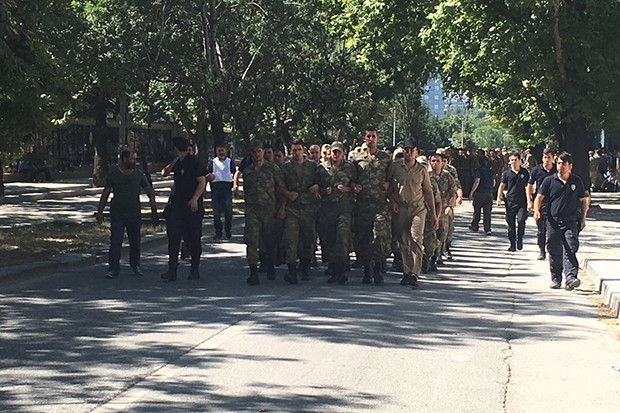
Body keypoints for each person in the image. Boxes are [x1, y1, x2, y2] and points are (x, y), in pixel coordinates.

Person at [96, 149, 158, 279]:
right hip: (118, 212)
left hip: (134, 212)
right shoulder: (114, 175)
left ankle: (135, 264)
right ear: (124, 159)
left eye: (135, 159)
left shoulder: (139, 174)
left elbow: (149, 190)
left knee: (135, 240)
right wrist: (100, 211)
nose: (134, 161)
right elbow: (106, 193)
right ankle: (113, 268)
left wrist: (153, 207)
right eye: (132, 159)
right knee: (116, 240)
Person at [387, 138, 438, 288]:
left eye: (411, 150)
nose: (408, 153)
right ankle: (406, 272)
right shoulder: (395, 167)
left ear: (416, 152)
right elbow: (387, 186)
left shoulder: (422, 170)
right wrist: (392, 201)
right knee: (403, 241)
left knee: (416, 239)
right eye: (405, 150)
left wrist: (433, 214)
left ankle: (414, 274)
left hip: (418, 208)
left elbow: (428, 192)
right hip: (401, 208)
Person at [534, 152, 589, 290]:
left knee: (570, 248)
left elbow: (583, 201)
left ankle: (570, 278)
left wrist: (583, 218)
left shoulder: (576, 181)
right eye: (558, 163)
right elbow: (539, 197)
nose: (560, 166)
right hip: (553, 221)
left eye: (564, 164)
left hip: (570, 221)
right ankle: (556, 278)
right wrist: (536, 211)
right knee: (554, 249)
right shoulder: (549, 180)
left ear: (570, 166)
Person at [160, 137, 207, 281]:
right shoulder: (178, 162)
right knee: (173, 237)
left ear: (175, 148)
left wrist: (194, 199)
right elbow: (165, 173)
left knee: (193, 237)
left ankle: (194, 268)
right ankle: (172, 269)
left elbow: (202, 181)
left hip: (191, 206)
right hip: (176, 205)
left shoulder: (194, 162)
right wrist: (174, 161)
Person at [350, 126, 392, 284]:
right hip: (362, 205)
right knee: (364, 238)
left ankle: (378, 268)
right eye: (368, 136)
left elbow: (392, 177)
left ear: (378, 138)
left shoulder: (385, 158)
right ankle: (367, 270)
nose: (371, 139)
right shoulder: (357, 158)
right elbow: (351, 177)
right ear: (364, 138)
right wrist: (354, 186)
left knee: (379, 236)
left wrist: (388, 185)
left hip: (380, 204)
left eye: (373, 136)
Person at [242, 141, 286, 285]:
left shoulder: (273, 169)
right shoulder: (247, 172)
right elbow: (247, 193)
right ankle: (253, 272)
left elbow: (281, 189)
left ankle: (271, 266)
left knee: (270, 242)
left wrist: (282, 208)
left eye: (259, 151)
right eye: (254, 151)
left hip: (270, 211)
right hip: (253, 211)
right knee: (252, 241)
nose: (257, 154)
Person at [279, 139, 320, 284]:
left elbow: (321, 180)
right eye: (293, 150)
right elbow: (280, 186)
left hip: (309, 207)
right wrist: (287, 195)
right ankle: (291, 270)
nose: (296, 153)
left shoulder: (312, 166)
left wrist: (316, 186)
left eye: (298, 150)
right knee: (291, 240)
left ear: (304, 151)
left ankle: (305, 267)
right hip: (292, 208)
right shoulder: (286, 167)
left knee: (308, 240)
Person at [317, 141, 357, 284]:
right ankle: (332, 269)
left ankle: (341, 270)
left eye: (338, 152)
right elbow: (316, 188)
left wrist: (348, 189)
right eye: (333, 152)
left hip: (344, 208)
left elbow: (356, 185)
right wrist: (323, 191)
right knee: (329, 239)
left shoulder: (350, 168)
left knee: (342, 237)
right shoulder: (322, 168)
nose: (335, 154)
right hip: (327, 209)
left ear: (343, 153)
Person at [526, 148, 557, 260]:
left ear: (553, 158)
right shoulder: (536, 170)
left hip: (554, 203)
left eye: (549, 157)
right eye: (545, 157)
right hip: (540, 202)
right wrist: (530, 201)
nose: (547, 160)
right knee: (541, 229)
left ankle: (552, 251)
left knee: (552, 229)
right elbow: (529, 186)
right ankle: (541, 250)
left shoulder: (557, 170)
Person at [497, 151, 529, 251]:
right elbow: (502, 186)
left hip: (522, 201)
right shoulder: (506, 173)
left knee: (521, 220)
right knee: (511, 224)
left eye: (515, 160)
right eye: (511, 160)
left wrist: (530, 200)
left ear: (520, 161)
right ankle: (512, 244)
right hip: (510, 201)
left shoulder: (524, 172)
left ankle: (520, 239)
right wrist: (499, 197)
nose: (513, 162)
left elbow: (528, 186)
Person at [206, 144, 236, 240]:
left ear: (226, 151)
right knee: (216, 213)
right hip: (215, 189)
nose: (221, 152)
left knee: (228, 211)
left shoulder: (230, 162)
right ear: (216, 152)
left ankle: (228, 231)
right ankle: (218, 232)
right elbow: (207, 175)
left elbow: (234, 173)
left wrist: (235, 185)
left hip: (227, 189)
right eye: (219, 150)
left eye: (222, 150)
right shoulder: (212, 162)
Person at [468, 156, 495, 235]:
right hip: (488, 193)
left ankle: (475, 225)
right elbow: (494, 182)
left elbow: (477, 181)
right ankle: (487, 229)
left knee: (477, 211)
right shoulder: (491, 171)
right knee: (487, 212)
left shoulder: (478, 171)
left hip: (479, 193)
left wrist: (471, 192)